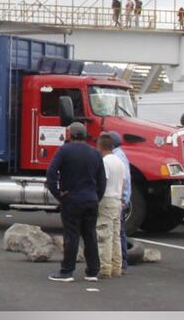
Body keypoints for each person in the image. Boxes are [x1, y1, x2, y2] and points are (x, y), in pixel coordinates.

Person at [46, 121, 106, 283]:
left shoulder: (64, 151)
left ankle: (67, 271)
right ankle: (93, 271)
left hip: (72, 199)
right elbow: (102, 181)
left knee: (72, 235)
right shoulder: (95, 153)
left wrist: (59, 194)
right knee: (90, 235)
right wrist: (96, 197)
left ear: (70, 134)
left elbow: (51, 174)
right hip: (91, 199)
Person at [97, 133, 125, 278]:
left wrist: (97, 198)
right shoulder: (119, 161)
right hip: (117, 199)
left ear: (100, 146)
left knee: (104, 235)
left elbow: (103, 181)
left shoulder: (105, 162)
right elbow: (124, 181)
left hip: (107, 199)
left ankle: (105, 267)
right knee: (116, 236)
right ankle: (117, 266)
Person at [108, 131, 132, 274]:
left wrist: (123, 199)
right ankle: (120, 262)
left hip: (117, 200)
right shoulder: (120, 155)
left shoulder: (116, 157)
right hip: (120, 200)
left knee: (117, 233)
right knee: (118, 232)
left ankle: (121, 262)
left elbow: (124, 180)